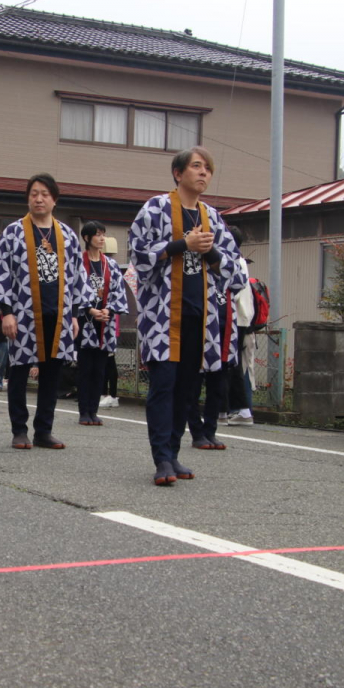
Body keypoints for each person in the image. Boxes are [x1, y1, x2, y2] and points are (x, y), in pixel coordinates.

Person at [129, 147, 239, 485]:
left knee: (187, 389)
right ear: (178, 173)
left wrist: (210, 251)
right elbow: (138, 255)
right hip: (163, 317)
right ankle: (161, 458)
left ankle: (173, 453)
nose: (203, 172)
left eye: (208, 168)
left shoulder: (213, 216)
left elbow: (233, 268)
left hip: (201, 316)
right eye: (196, 166)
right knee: (164, 385)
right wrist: (182, 245)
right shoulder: (155, 207)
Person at [0, 174, 94, 450]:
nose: (39, 199)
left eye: (45, 194)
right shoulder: (13, 232)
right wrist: (6, 312)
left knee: (52, 374)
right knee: (19, 371)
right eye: (34, 193)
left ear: (54, 199)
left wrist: (75, 315)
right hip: (22, 313)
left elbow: (77, 276)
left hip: (59, 314)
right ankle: (19, 430)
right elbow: (0, 272)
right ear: (28, 198)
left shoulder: (67, 235)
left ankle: (44, 430)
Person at [187, 225, 248, 448]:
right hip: (200, 329)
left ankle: (210, 430)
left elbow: (239, 282)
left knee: (219, 384)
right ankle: (196, 432)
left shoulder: (232, 263)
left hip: (225, 330)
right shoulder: (196, 260)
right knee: (193, 385)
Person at [75, 221, 128, 426]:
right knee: (85, 368)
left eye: (103, 234)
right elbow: (73, 288)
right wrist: (89, 309)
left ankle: (93, 411)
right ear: (87, 238)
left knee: (100, 369)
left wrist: (109, 309)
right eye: (97, 234)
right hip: (85, 321)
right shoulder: (78, 262)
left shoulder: (111, 264)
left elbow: (118, 291)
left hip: (105, 323)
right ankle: (83, 411)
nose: (102, 238)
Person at [225, 226, 257, 427]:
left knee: (232, 364)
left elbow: (233, 291)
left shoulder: (235, 261)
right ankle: (231, 409)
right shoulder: (239, 260)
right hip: (241, 318)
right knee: (232, 364)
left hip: (236, 318)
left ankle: (242, 410)